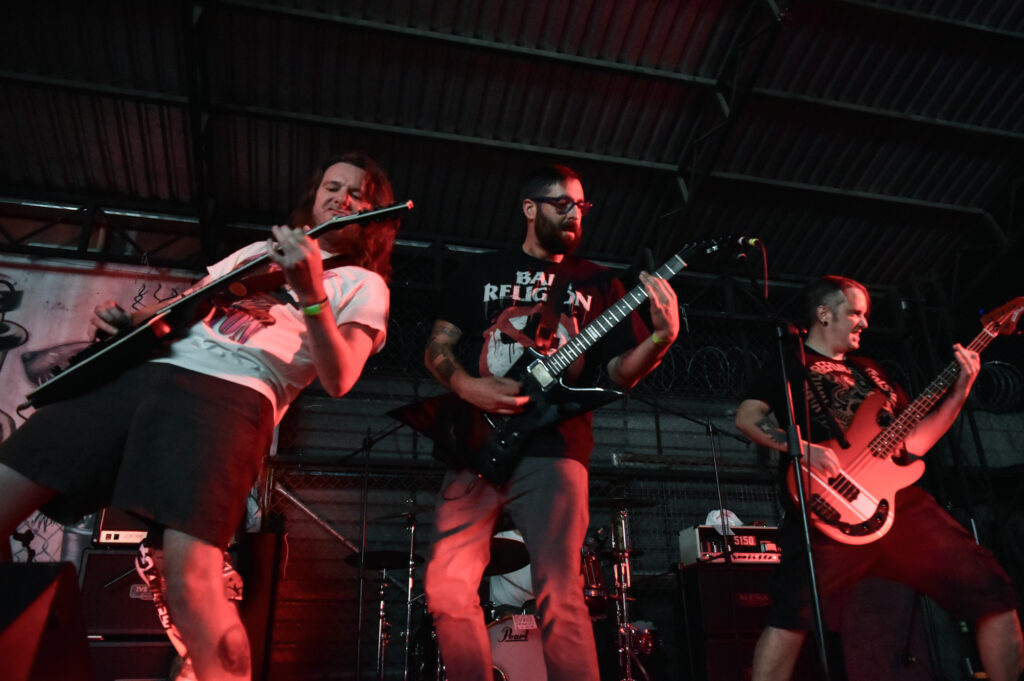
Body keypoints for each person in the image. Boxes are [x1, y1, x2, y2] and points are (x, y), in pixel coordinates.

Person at [0, 152, 400, 681]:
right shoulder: (258, 251)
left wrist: (310, 296)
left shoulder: (363, 285)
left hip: (230, 397)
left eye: (357, 195)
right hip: (143, 375)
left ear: (370, 218)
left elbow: (340, 376)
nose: (340, 199)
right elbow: (187, 306)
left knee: (193, 585)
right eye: (332, 186)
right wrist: (129, 321)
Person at [421, 163, 679, 681]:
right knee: (446, 588)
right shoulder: (478, 271)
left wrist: (659, 341)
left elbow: (617, 373)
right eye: (562, 203)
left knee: (560, 591)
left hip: (556, 449)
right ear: (530, 207)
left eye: (581, 205)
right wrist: (469, 386)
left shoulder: (601, 283)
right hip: (476, 445)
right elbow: (438, 346)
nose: (575, 213)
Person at [734, 275, 1024, 681]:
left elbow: (915, 444)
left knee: (993, 591)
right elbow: (747, 417)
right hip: (827, 502)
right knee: (792, 615)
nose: (864, 323)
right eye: (855, 312)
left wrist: (959, 392)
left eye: (866, 315)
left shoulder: (872, 371)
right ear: (823, 314)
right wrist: (801, 448)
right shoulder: (790, 362)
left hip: (897, 504)